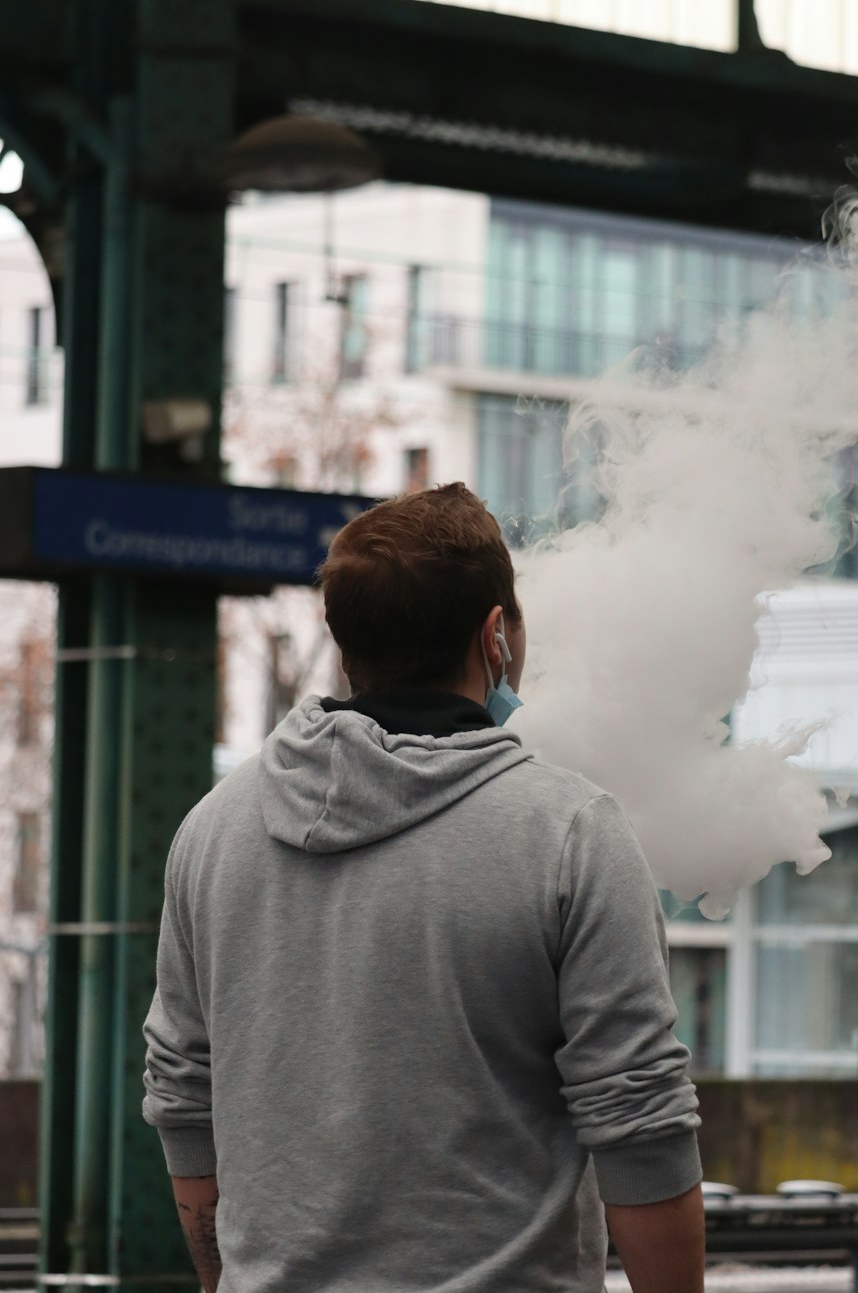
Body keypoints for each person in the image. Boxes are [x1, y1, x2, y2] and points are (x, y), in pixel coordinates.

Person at [143, 482, 705, 1293]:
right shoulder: (571, 833)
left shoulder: (213, 829)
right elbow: (642, 1129)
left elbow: (184, 1100)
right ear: (495, 637)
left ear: (346, 647)